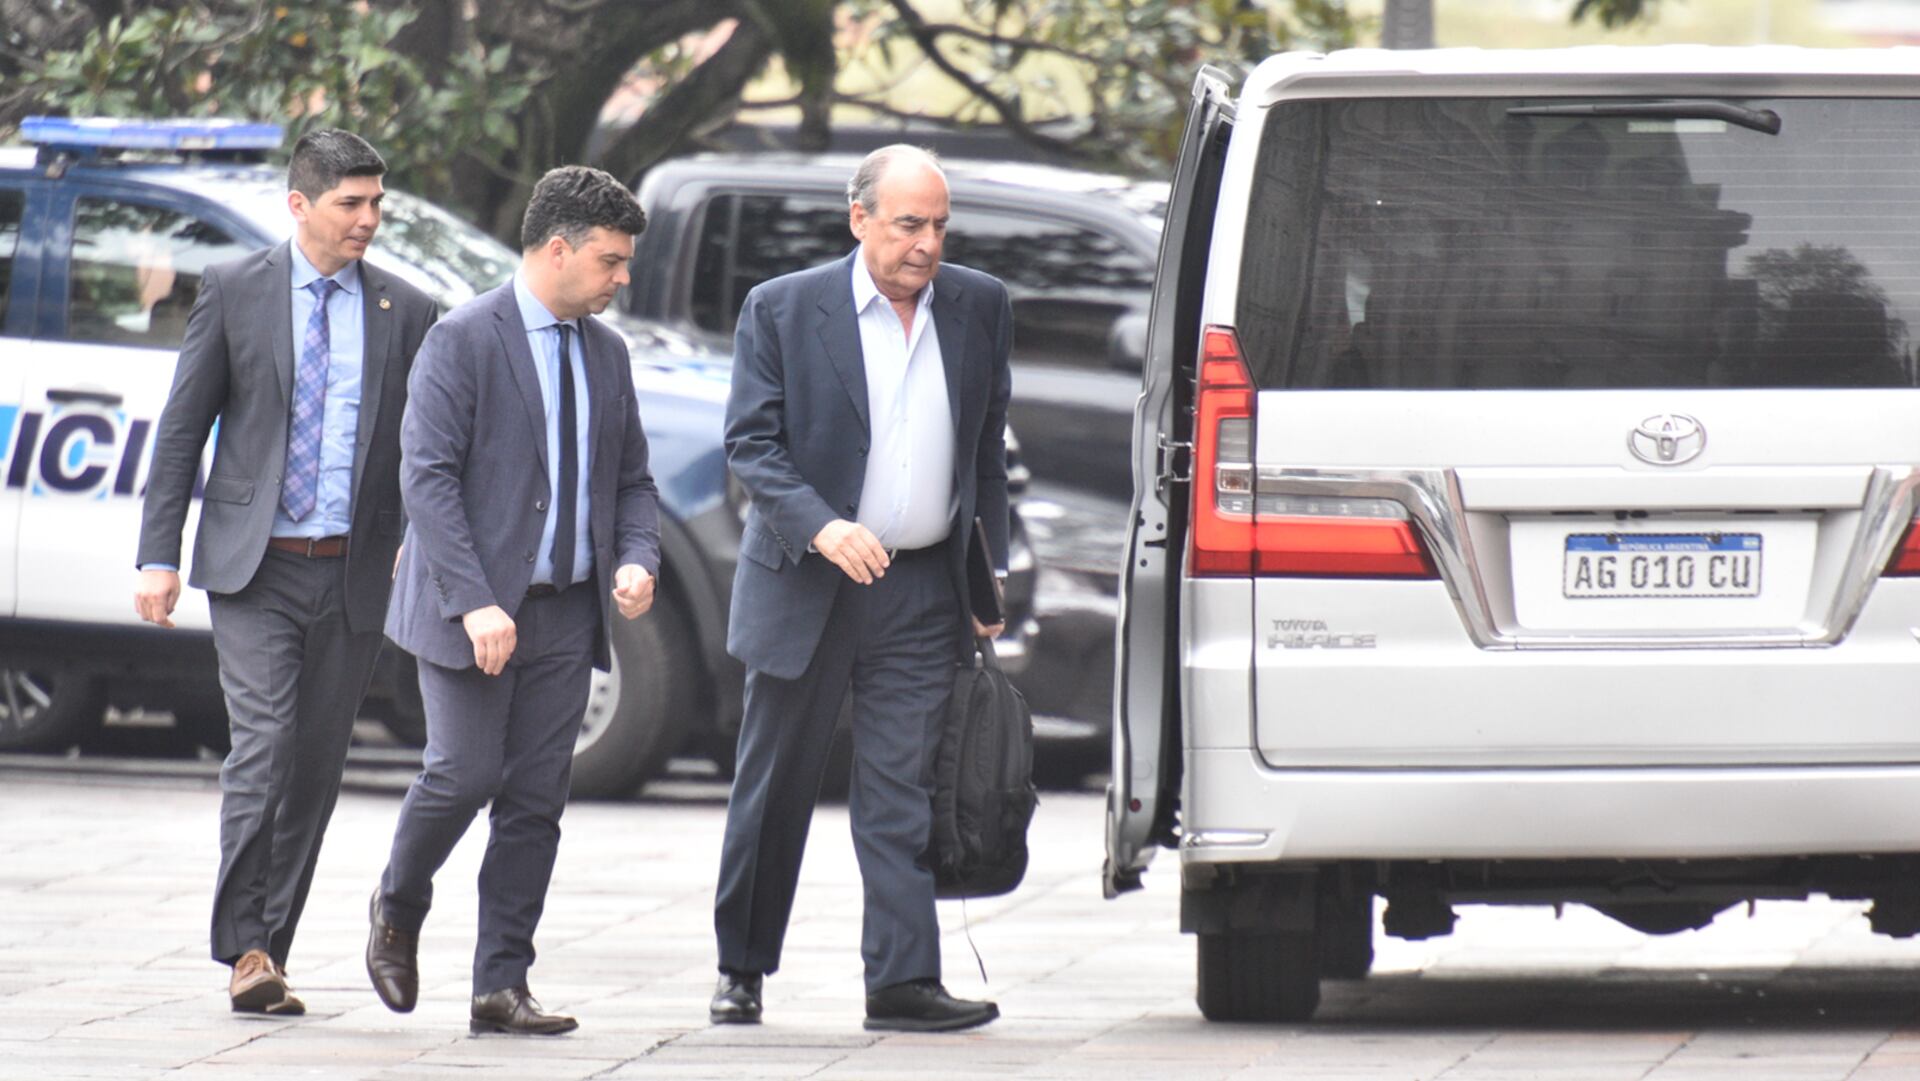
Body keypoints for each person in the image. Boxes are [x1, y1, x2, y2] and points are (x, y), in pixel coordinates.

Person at [134, 129, 437, 1015]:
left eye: (377, 203)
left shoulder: (404, 310)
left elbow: (426, 449)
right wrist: (158, 553)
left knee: (313, 769)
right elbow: (184, 427)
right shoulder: (235, 289)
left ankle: (273, 944)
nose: (368, 220)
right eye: (351, 203)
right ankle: (248, 946)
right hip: (254, 565)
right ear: (300, 204)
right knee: (263, 749)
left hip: (350, 574)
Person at [709, 144, 1012, 1032]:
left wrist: (986, 579)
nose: (926, 244)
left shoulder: (980, 306)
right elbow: (751, 445)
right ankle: (742, 969)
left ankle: (903, 979)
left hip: (922, 589)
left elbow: (987, 447)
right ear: (861, 219)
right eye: (908, 224)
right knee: (775, 786)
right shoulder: (783, 308)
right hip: (810, 580)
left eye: (939, 226)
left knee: (903, 788)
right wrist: (821, 524)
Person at [365, 165, 660, 1037]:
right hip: (473, 609)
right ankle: (399, 898)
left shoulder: (607, 352)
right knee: (462, 773)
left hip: (567, 609)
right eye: (610, 261)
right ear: (559, 250)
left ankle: (502, 982)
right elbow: (427, 478)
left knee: (535, 797)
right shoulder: (463, 338)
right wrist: (474, 602)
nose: (622, 278)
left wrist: (638, 559)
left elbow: (633, 479)